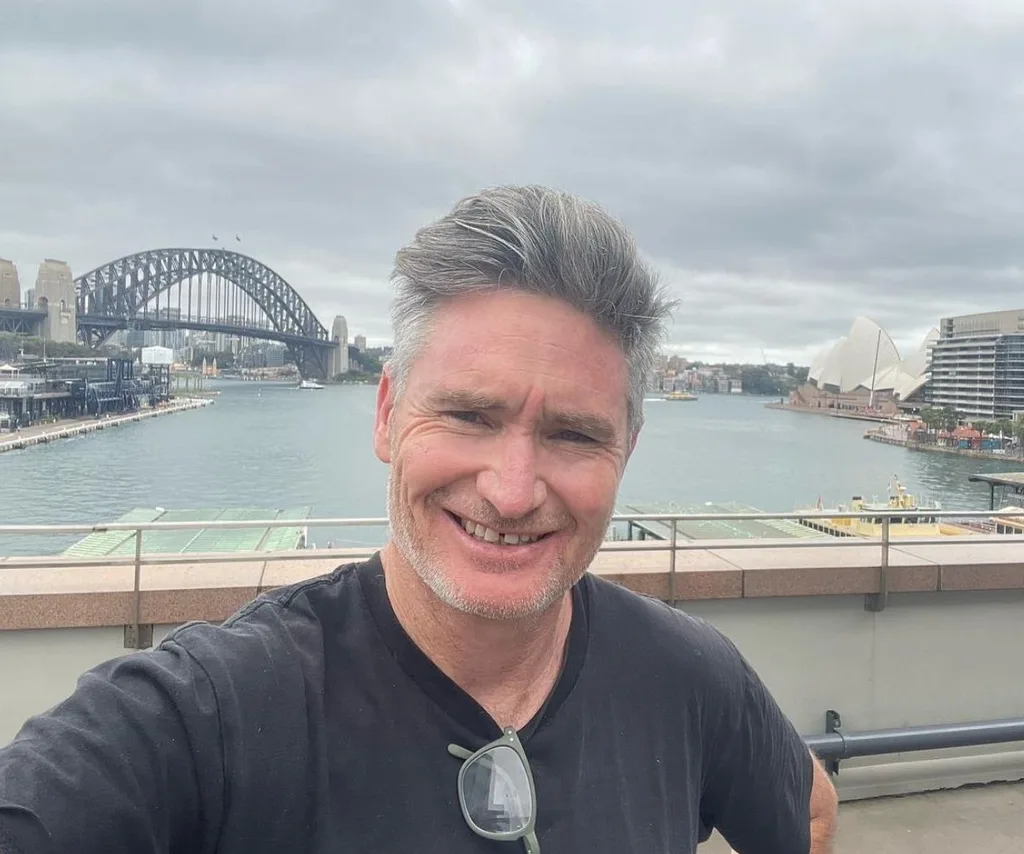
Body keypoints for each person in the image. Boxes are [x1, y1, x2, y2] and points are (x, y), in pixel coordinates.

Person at [0, 185, 837, 854]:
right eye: (469, 415)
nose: (512, 491)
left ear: (628, 448)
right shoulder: (205, 719)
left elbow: (810, 811)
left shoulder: (690, 677)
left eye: (574, 434)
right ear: (387, 415)